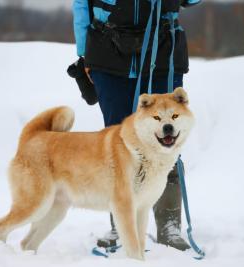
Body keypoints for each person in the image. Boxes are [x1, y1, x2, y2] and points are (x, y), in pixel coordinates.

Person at [72, 0, 201, 251]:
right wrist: (84, 51)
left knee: (167, 144)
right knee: (118, 148)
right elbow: (81, 3)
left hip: (163, 49)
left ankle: (169, 227)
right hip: (107, 53)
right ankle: (121, 226)